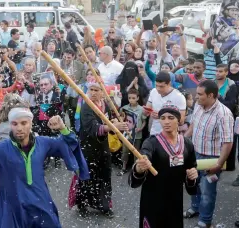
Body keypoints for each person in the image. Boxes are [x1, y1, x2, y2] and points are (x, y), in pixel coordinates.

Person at [129, 103, 198, 228]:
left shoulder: (187, 144)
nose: (166, 122)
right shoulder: (151, 142)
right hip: (153, 198)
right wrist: (139, 168)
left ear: (179, 120)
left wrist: (192, 176)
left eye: (171, 118)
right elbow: (145, 154)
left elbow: (191, 168)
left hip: (175, 199)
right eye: (163, 118)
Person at [184, 80, 234, 228]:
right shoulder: (199, 106)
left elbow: (228, 142)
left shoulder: (224, 114)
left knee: (207, 191)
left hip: (211, 160)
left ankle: (205, 221)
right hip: (195, 154)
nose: (196, 97)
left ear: (211, 95)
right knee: (194, 184)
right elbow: (193, 125)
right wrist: (182, 141)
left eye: (200, 94)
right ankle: (195, 207)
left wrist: (218, 164)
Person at [76, 78, 128, 218]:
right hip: (88, 146)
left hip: (103, 146)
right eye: (90, 90)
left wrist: (117, 124)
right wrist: (113, 127)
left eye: (96, 90)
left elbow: (108, 122)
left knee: (105, 175)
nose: (92, 93)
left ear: (102, 92)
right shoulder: (86, 106)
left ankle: (104, 205)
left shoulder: (105, 104)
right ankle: (82, 204)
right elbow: (93, 128)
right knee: (87, 176)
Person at [118, 89, 147, 175]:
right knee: (124, 151)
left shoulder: (141, 109)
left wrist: (140, 128)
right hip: (127, 133)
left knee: (136, 152)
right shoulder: (124, 108)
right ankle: (123, 167)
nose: (131, 100)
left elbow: (144, 121)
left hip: (137, 135)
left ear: (137, 98)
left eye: (133, 98)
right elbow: (121, 119)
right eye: (129, 98)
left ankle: (135, 168)